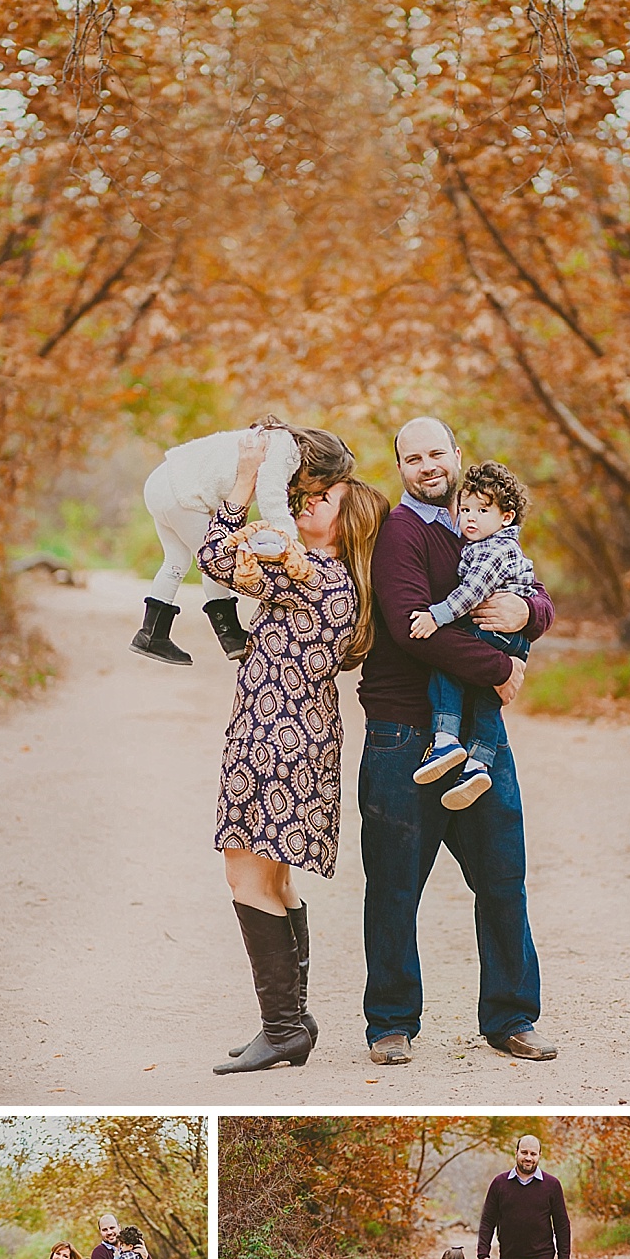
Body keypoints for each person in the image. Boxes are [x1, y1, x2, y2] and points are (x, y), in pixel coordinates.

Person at [357, 414, 556, 1066]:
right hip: (402, 733)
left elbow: (532, 588)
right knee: (393, 886)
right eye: (412, 458)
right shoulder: (401, 534)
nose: (427, 466)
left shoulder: (484, 522)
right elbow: (413, 626)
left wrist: (528, 614)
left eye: (436, 452)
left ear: (456, 453)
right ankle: (391, 1023)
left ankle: (511, 1017)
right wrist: (502, 666)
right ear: (402, 468)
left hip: (477, 734)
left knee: (504, 878)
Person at [197, 431, 390, 1075]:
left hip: (280, 736)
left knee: (246, 874)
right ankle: (293, 1022)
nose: (304, 502)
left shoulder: (325, 576)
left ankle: (281, 1027)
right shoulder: (308, 568)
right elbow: (224, 561)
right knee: (274, 877)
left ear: (348, 516)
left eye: (321, 495)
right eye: (301, 492)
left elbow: (213, 554)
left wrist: (249, 478)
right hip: (282, 732)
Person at [131, 416, 355, 664]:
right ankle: (231, 636)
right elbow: (271, 498)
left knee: (176, 561)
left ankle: (151, 634)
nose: (312, 493)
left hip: (163, 482)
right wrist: (289, 542)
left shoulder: (276, 441)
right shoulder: (286, 452)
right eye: (321, 486)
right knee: (217, 560)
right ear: (317, 467)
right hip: (182, 493)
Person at [409, 460, 535, 810]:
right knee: (484, 695)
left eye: (482, 510)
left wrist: (436, 616)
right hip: (508, 637)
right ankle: (479, 764)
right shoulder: (487, 543)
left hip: (499, 632)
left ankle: (446, 739)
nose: (470, 518)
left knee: (452, 664)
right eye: (465, 509)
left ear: (506, 517)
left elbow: (471, 594)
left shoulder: (495, 549)